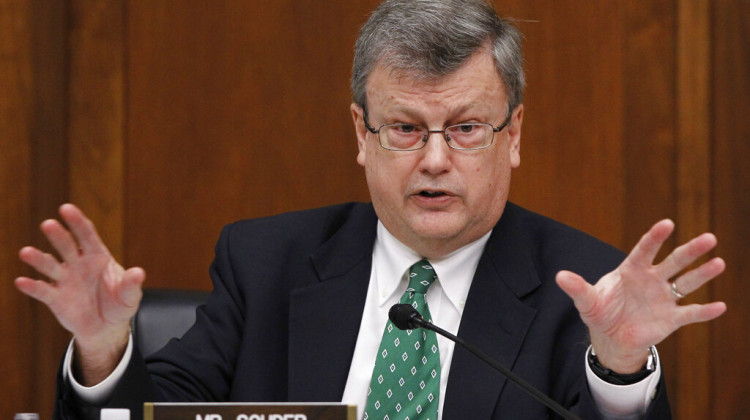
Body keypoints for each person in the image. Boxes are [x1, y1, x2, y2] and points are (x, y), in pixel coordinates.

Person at [16, 1, 726, 419]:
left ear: (515, 137)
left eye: (468, 128)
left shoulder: (585, 287)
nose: (436, 160)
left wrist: (622, 370)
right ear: (362, 134)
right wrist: (105, 349)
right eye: (406, 128)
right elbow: (150, 414)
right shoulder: (265, 263)